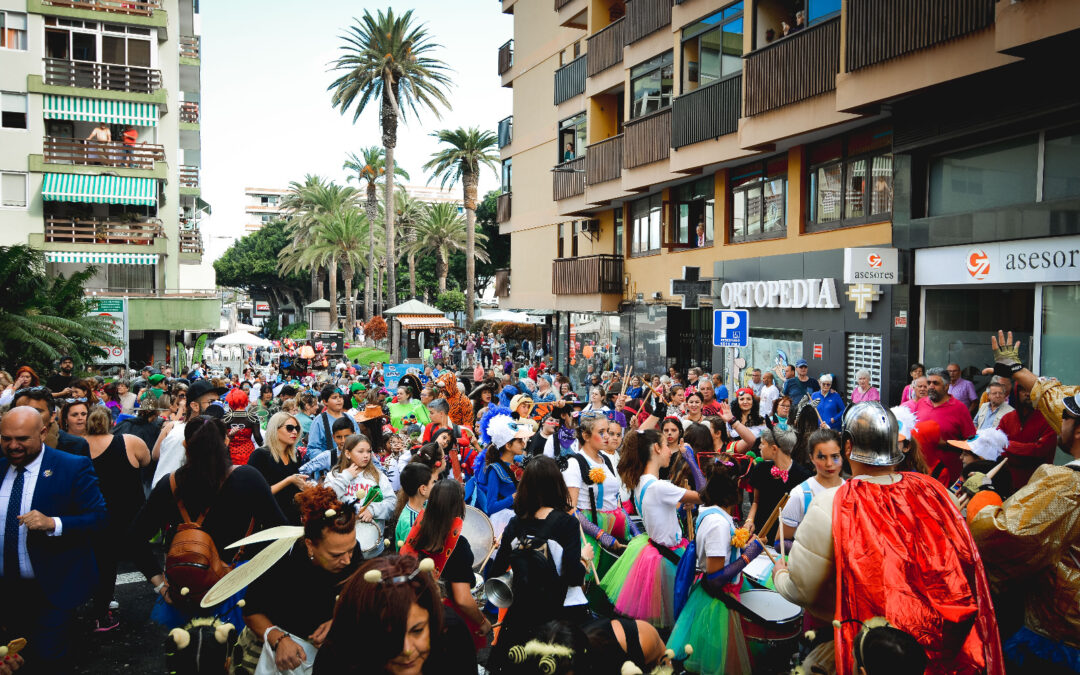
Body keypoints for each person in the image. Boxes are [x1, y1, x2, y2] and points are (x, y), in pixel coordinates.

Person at [773, 402, 1003, 675]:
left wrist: (781, 575)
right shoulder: (938, 494)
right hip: (941, 652)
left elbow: (804, 588)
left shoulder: (831, 504)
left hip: (870, 653)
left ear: (847, 447)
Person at [964, 329, 1080, 672]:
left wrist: (983, 494)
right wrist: (1017, 371)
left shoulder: (1067, 485)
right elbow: (1064, 405)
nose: (1058, 419)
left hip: (1060, 636)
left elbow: (999, 534)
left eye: (1066, 420)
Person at [129, 415, 287, 628]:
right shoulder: (248, 478)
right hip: (236, 584)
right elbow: (280, 532)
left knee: (187, 651)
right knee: (233, 655)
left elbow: (134, 538)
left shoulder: (170, 484)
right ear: (226, 441)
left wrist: (160, 585)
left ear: (186, 445)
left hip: (186, 586)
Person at [0, 406, 108, 671]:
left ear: (43, 432)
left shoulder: (71, 466)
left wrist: (53, 523)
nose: (13, 446)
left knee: (48, 658)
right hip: (7, 592)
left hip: (53, 588)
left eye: (22, 439)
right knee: (11, 660)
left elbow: (99, 518)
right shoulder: (0, 468)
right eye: (6, 438)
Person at [232, 486, 362, 675]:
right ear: (310, 545)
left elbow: (354, 595)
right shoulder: (281, 560)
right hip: (268, 655)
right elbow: (251, 611)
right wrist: (279, 639)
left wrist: (337, 621)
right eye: (336, 555)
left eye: (350, 550)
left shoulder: (351, 553)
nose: (347, 560)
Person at [488, 456, 591, 669]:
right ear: (557, 485)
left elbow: (497, 571)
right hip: (559, 615)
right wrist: (584, 560)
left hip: (521, 615)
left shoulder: (516, 523)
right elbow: (574, 577)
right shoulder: (566, 523)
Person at [667, 461, 763, 675]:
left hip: (723, 594)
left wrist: (744, 545)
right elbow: (715, 578)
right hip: (716, 603)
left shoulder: (715, 515)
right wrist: (748, 557)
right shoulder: (717, 525)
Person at [602, 429, 702, 629]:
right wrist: (691, 460)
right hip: (669, 556)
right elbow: (706, 493)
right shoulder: (659, 487)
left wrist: (681, 505)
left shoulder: (642, 482)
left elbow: (662, 511)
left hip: (656, 550)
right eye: (666, 446)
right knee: (677, 614)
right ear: (656, 448)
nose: (670, 451)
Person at [312, 555, 477, 675]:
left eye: (417, 631)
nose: (406, 650)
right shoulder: (336, 660)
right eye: (389, 633)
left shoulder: (452, 635)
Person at [82, 408, 151, 632]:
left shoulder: (76, 445)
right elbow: (146, 461)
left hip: (92, 514)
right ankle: (167, 593)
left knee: (101, 560)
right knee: (139, 556)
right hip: (128, 514)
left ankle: (97, 610)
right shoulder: (128, 441)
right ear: (112, 422)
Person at [399, 480, 492, 645]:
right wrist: (482, 621)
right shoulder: (460, 545)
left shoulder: (419, 529)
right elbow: (462, 599)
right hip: (446, 615)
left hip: (415, 604)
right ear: (458, 506)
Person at [564, 413, 634, 579]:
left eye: (608, 431)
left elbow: (616, 502)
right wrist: (599, 534)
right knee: (587, 583)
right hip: (588, 534)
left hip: (615, 531)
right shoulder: (574, 464)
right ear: (586, 435)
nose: (607, 437)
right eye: (602, 432)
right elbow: (570, 509)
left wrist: (634, 531)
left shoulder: (606, 460)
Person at [324, 434, 396, 558]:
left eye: (368, 451)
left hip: (372, 551)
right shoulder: (334, 476)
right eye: (360, 451)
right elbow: (326, 502)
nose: (366, 455)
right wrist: (346, 477)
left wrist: (373, 510)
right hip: (341, 549)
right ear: (347, 453)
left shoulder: (377, 476)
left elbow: (392, 502)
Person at [151, 379, 228, 489]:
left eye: (219, 402)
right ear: (195, 406)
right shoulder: (190, 433)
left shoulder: (175, 426)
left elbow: (156, 455)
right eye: (211, 402)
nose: (217, 407)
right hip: (175, 499)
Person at [744, 425, 810, 541]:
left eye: (763, 443)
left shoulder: (803, 477)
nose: (759, 447)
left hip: (785, 542)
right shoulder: (761, 468)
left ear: (774, 449)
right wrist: (750, 520)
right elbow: (755, 501)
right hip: (758, 537)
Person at [913, 368, 977, 485]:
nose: (930, 386)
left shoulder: (960, 408)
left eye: (935, 383)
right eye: (929, 383)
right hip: (921, 473)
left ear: (946, 386)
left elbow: (972, 442)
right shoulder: (921, 403)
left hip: (948, 474)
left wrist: (945, 444)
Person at [779, 428, 844, 541]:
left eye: (835, 457)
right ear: (811, 458)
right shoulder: (800, 495)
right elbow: (781, 542)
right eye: (822, 457)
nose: (829, 464)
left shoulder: (852, 491)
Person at [248, 412, 308, 525]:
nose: (295, 432)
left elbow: (294, 492)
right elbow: (257, 495)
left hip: (292, 517)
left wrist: (304, 487)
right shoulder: (260, 455)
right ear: (275, 429)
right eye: (289, 428)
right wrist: (289, 480)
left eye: (297, 428)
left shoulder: (295, 455)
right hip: (269, 519)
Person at [997, 381, 1056, 489]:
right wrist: (1025, 449)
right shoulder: (1007, 419)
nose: (1028, 393)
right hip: (1009, 482)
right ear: (1016, 392)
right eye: (1023, 390)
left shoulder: (1048, 419)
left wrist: (1008, 445)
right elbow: (997, 446)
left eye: (1031, 390)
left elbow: (1040, 450)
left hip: (1038, 483)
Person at [474, 409, 532, 515]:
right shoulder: (495, 470)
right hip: (504, 521)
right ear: (508, 445)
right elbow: (491, 507)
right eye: (519, 441)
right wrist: (513, 497)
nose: (523, 444)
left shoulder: (518, 464)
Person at [12, 387, 89, 457]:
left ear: (52, 416)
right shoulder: (5, 446)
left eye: (37, 411)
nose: (27, 417)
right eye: (21, 411)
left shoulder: (76, 446)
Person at [306, 386, 359, 461]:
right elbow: (312, 449)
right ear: (325, 402)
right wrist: (331, 458)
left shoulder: (350, 418)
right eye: (334, 397)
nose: (339, 400)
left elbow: (359, 441)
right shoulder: (319, 421)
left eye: (340, 397)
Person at [393, 462, 435, 552]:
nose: (434, 486)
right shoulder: (411, 524)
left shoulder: (426, 504)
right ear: (423, 489)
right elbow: (409, 556)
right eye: (432, 483)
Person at [223, 388, 263, 466]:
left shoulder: (225, 418)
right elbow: (257, 437)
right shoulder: (252, 417)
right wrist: (264, 448)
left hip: (230, 453)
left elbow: (223, 438)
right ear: (245, 401)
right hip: (248, 452)